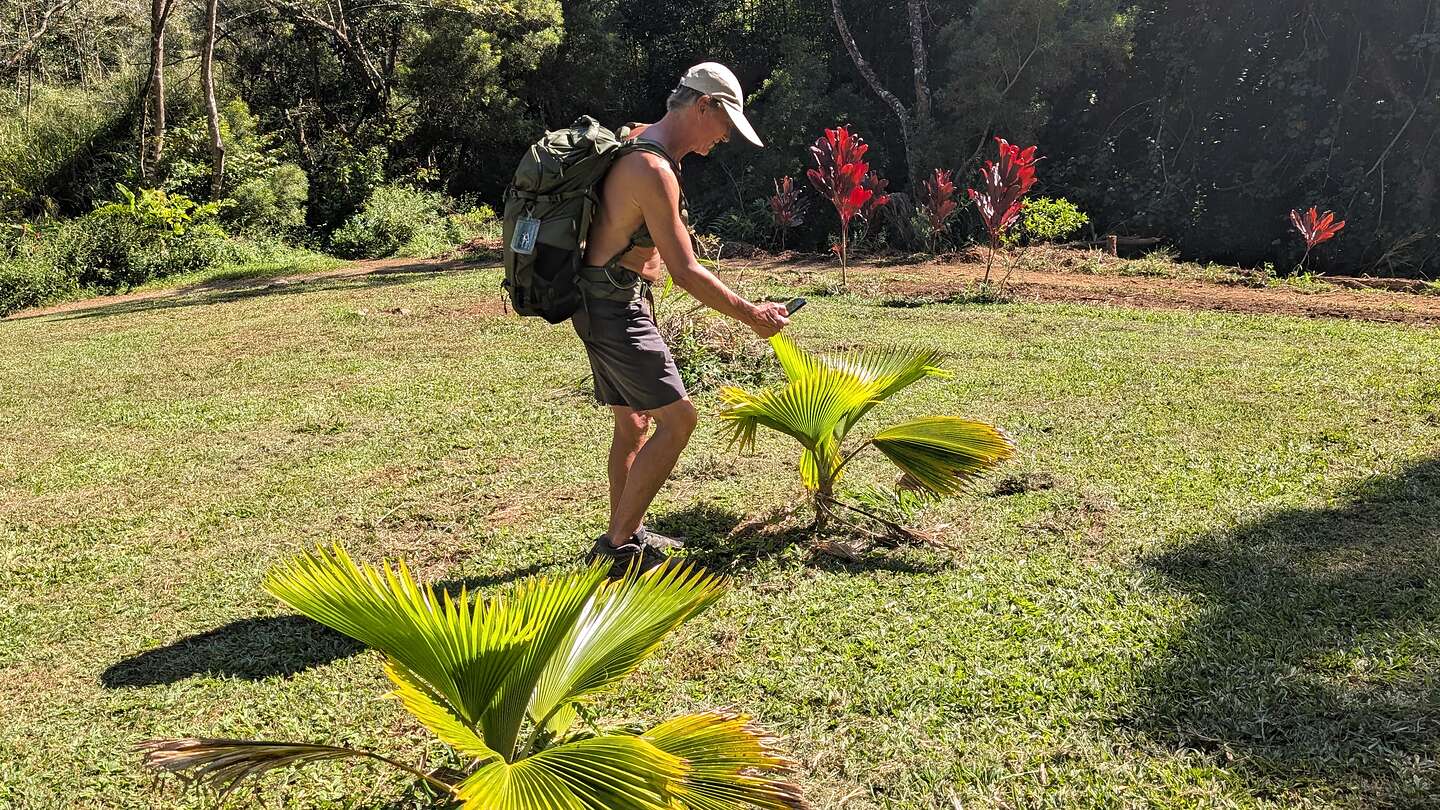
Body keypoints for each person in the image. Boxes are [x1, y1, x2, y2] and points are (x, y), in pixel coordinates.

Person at [575, 62, 789, 575]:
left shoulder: (638, 138)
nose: (724, 138)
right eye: (724, 124)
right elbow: (686, 272)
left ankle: (625, 529)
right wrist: (751, 314)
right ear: (703, 106)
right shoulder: (653, 169)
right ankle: (619, 546)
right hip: (614, 306)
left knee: (633, 425)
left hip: (602, 298)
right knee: (680, 420)